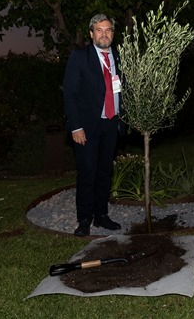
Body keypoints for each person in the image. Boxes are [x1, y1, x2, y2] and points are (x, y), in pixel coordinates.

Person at [63, 13, 124, 237]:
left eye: (108, 30)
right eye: (99, 30)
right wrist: (75, 126)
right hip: (87, 127)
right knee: (87, 172)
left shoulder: (119, 56)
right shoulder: (80, 57)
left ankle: (102, 216)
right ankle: (84, 219)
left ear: (113, 34)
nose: (104, 34)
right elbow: (70, 94)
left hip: (111, 124)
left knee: (105, 172)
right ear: (91, 34)